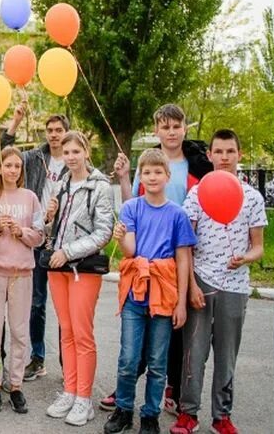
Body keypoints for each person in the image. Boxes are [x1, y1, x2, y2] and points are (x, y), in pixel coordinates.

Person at [110, 104, 212, 414]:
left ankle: (170, 390)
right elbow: (133, 208)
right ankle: (125, 397)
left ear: (184, 129)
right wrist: (126, 177)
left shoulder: (197, 164)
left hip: (181, 250)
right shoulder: (148, 165)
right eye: (164, 127)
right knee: (134, 347)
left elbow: (208, 205)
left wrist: (187, 287)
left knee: (170, 338)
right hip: (145, 256)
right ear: (157, 131)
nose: (170, 132)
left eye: (175, 126)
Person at [170, 130, 266, 434]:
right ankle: (188, 413)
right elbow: (185, 244)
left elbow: (258, 245)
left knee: (227, 355)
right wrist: (192, 286)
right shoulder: (197, 194)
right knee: (193, 352)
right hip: (201, 281)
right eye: (219, 152)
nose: (224, 158)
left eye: (230, 152)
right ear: (209, 156)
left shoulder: (252, 197)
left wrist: (246, 258)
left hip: (235, 287)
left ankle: (221, 416)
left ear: (239, 155)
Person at [104, 148, 195, 434]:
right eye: (147, 172)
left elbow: (183, 259)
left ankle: (150, 414)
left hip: (164, 294)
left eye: (158, 171)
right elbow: (130, 250)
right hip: (136, 292)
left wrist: (181, 303)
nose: (152, 177)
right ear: (140, 178)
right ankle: (123, 409)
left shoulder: (178, 214)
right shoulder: (131, 208)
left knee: (157, 362)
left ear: (168, 176)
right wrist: (121, 238)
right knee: (129, 358)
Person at [42, 132, 114, 427]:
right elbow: (50, 230)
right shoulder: (60, 184)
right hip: (57, 268)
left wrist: (68, 252)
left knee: (83, 333)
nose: (71, 156)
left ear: (86, 151)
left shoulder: (101, 186)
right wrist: (47, 219)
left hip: (82, 268)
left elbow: (104, 231)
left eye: (76, 151)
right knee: (66, 331)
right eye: (66, 152)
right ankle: (70, 391)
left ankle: (84, 397)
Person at [3, 107, 70, 382]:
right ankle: (38, 358)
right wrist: (17, 119)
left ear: (66, 133)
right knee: (37, 304)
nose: (54, 135)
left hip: (65, 242)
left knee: (66, 308)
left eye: (59, 131)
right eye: (50, 131)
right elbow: (6, 149)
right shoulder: (34, 157)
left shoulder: (74, 159)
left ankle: (70, 365)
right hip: (37, 240)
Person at [0, 146, 45, 414]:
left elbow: (40, 235)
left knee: (20, 332)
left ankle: (16, 386)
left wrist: (22, 232)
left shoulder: (30, 198)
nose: (12, 170)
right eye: (7, 165)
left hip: (22, 273)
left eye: (17, 166)